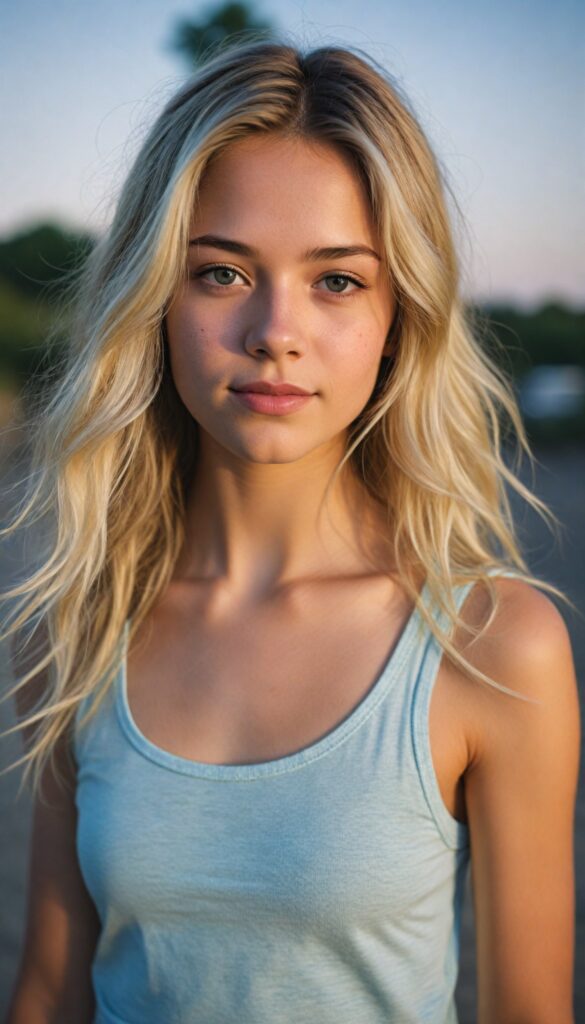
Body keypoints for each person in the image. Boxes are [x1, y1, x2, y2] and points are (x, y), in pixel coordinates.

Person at [1, 38, 580, 1024]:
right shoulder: (79, 628)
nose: (277, 328)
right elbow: (50, 990)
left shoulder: (493, 647)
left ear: (401, 315)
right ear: (155, 301)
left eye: (338, 280)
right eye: (221, 273)